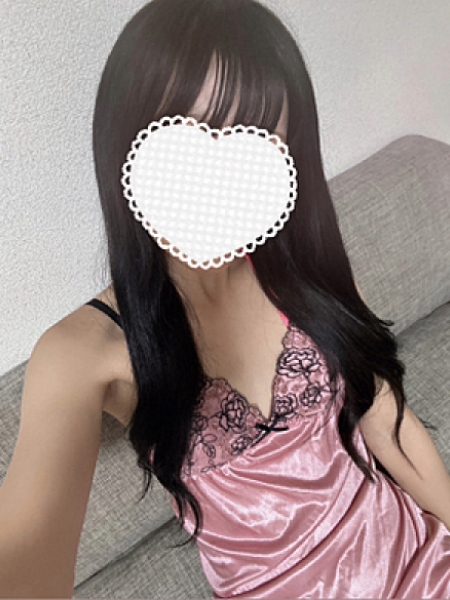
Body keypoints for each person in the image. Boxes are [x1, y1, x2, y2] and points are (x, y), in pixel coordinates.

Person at [0, 0, 449, 597]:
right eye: (190, 139)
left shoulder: (306, 268)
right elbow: (25, 553)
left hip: (419, 561)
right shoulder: (83, 352)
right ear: (127, 149)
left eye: (256, 144)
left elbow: (388, 421)